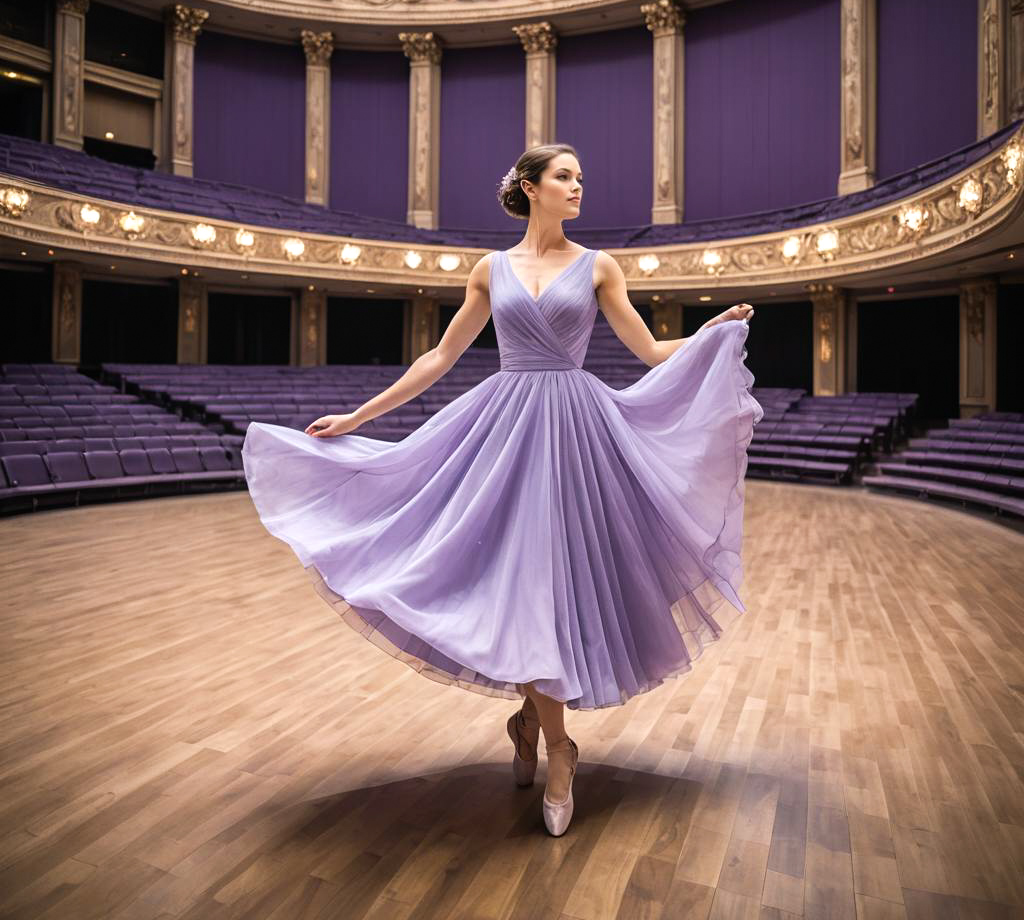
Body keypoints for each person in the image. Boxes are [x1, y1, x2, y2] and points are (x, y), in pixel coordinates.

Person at [241, 142, 763, 837]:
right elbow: (440, 356)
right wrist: (361, 416)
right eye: (566, 176)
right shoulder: (489, 271)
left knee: (551, 587)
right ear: (531, 185)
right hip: (506, 431)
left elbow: (650, 352)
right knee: (517, 585)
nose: (579, 187)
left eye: (581, 177)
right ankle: (556, 742)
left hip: (578, 436)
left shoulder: (599, 266)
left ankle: (541, 731)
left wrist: (707, 334)